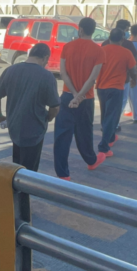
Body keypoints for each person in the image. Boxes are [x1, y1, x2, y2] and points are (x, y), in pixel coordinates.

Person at [0, 43, 60, 172]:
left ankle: (16, 190)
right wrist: (48, 118)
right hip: (34, 132)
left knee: (16, 168)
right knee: (29, 173)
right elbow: (55, 108)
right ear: (45, 57)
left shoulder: (10, 70)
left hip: (15, 129)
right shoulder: (47, 76)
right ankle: (23, 191)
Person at [54, 17, 106, 180]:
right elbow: (92, 79)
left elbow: (63, 73)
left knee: (62, 136)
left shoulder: (67, 47)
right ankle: (91, 160)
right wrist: (80, 96)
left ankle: (63, 174)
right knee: (84, 133)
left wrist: (74, 94)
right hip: (86, 99)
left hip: (67, 97)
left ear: (81, 29)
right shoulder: (99, 51)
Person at [96, 28, 136, 156]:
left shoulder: (101, 51)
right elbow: (133, 70)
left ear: (109, 38)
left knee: (105, 114)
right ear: (122, 40)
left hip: (101, 88)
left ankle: (111, 137)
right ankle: (103, 147)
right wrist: (134, 80)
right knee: (112, 117)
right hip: (116, 88)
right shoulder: (126, 52)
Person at [122, 24, 137, 123]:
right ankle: (136, 116)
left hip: (124, 73)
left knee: (125, 97)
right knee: (135, 95)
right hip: (134, 73)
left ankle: (127, 111)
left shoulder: (125, 43)